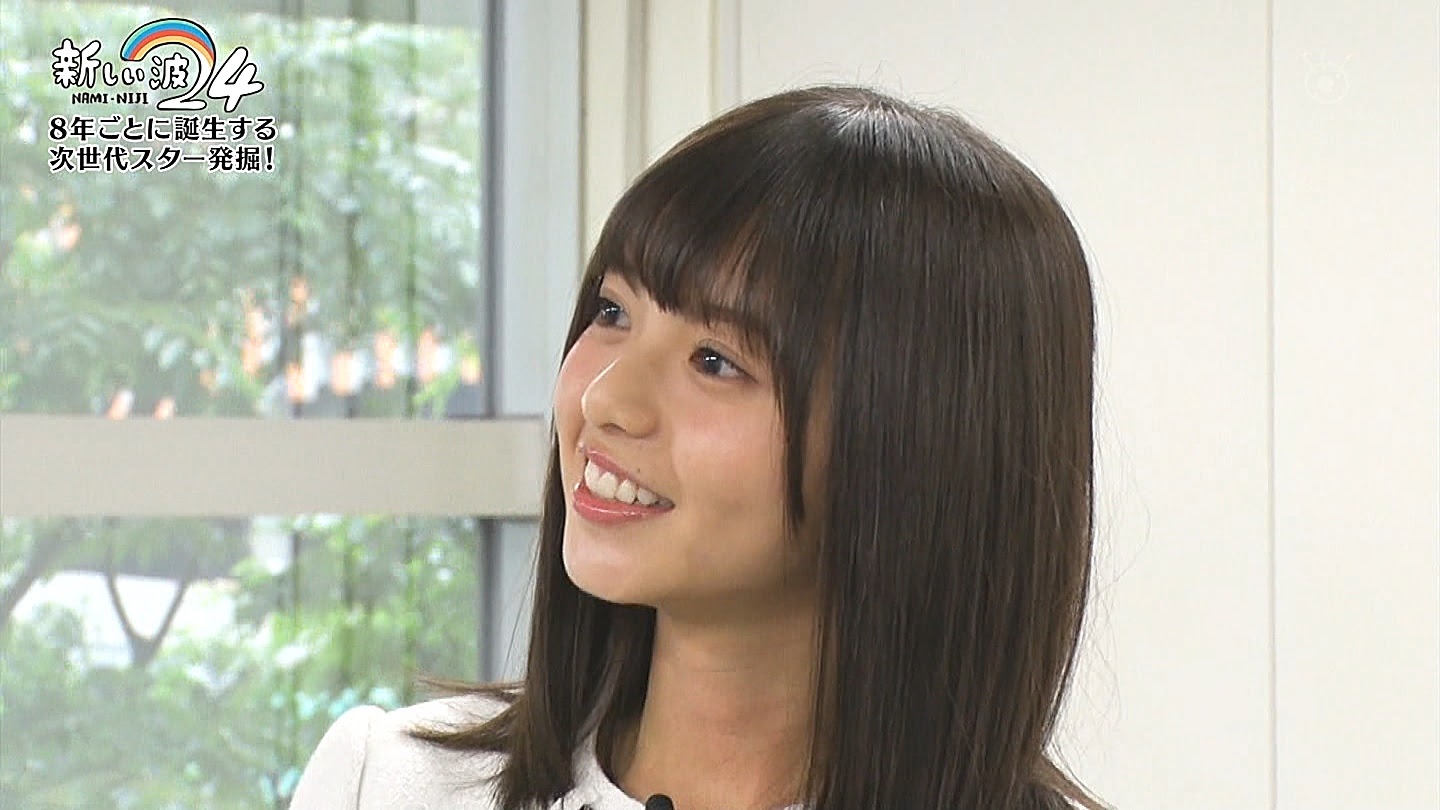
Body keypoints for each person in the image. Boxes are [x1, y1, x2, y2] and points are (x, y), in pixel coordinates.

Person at [290, 84, 1108, 810]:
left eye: (715, 361)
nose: (604, 399)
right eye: (613, 312)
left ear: (916, 446)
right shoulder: (388, 783)